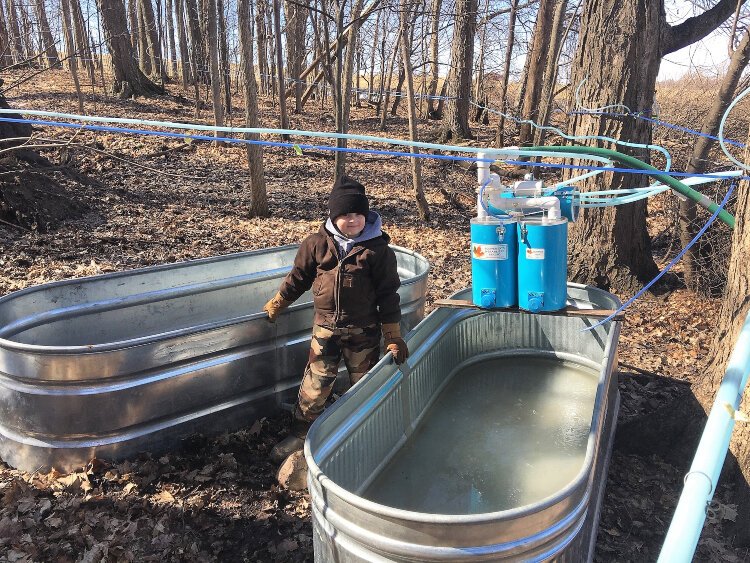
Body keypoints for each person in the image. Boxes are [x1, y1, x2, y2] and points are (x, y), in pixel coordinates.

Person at [263, 176, 409, 463]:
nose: (352, 220)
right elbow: (299, 278)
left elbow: (389, 295)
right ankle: (301, 434)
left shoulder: (378, 252)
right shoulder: (316, 244)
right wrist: (279, 301)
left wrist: (392, 335)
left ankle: (364, 434)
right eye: (345, 214)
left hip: (364, 332)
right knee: (315, 384)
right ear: (333, 215)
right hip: (325, 329)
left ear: (365, 216)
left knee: (364, 385)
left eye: (357, 214)